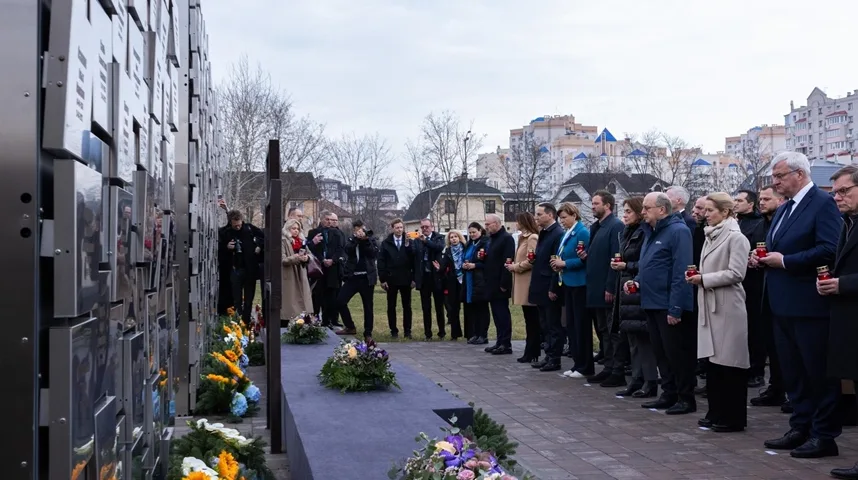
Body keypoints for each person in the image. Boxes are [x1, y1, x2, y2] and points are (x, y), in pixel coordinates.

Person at [754, 151, 842, 458]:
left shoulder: (822, 204)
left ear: (799, 175)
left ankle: (824, 435)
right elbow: (777, 249)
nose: (775, 182)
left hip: (810, 306)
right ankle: (800, 426)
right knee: (794, 373)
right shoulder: (783, 209)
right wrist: (763, 260)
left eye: (779, 176)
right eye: (774, 177)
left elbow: (829, 249)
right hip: (781, 305)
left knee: (817, 373)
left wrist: (786, 261)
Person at [687, 193, 750, 432]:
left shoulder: (736, 238)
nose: (706, 214)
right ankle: (716, 411)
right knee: (713, 362)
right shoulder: (710, 235)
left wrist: (705, 279)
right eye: (706, 210)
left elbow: (736, 273)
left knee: (729, 362)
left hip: (727, 305)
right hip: (710, 304)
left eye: (711, 210)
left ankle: (732, 416)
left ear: (725, 212)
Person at [627, 192, 695, 414]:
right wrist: (636, 282)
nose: (643, 212)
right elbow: (650, 264)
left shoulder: (678, 232)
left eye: (647, 208)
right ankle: (668, 393)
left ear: (662, 210)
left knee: (676, 353)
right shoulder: (651, 231)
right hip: (651, 302)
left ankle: (685, 398)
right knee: (661, 352)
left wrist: (675, 307)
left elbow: (680, 272)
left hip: (668, 305)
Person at [822, 165, 858, 479]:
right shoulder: (848, 223)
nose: (837, 197)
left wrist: (843, 284)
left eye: (844, 191)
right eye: (835, 193)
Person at [613, 197, 658, 398]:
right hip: (626, 288)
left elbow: (647, 262)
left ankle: (650, 381)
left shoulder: (644, 233)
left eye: (628, 211)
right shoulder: (626, 233)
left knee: (643, 338)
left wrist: (627, 267)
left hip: (638, 288)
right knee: (632, 337)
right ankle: (637, 379)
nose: (624, 215)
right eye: (623, 211)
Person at [748, 185, 788, 410]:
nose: (761, 202)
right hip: (762, 291)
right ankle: (776, 387)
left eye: (766, 198)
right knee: (772, 344)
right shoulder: (760, 225)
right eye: (760, 199)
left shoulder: (782, 223)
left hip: (784, 290)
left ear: (780, 201)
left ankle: (788, 391)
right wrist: (754, 258)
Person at [579, 191, 624, 384]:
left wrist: (611, 287)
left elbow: (615, 257)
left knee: (611, 330)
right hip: (594, 287)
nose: (592, 206)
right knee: (602, 329)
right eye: (592, 202)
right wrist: (586, 256)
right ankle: (608, 366)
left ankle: (617, 370)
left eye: (596, 203)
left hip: (606, 288)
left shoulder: (615, 226)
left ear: (608, 206)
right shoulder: (596, 227)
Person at [549, 203, 590, 379]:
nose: (562, 221)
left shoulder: (582, 232)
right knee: (571, 324)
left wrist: (565, 264)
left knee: (580, 325)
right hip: (567, 282)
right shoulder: (567, 233)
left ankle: (585, 365)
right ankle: (577, 363)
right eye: (561, 218)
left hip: (580, 283)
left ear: (574, 215)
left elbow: (584, 258)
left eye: (565, 217)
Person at [734, 189, 766, 388]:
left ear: (750, 204)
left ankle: (757, 370)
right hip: (737, 285)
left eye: (739, 200)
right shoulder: (736, 223)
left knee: (755, 329)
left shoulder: (758, 224)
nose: (735, 203)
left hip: (752, 282)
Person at [529, 203, 565, 372]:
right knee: (544, 323)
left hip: (548, 286)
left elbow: (555, 263)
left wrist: (553, 287)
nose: (536, 217)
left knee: (553, 324)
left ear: (550, 215)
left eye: (539, 214)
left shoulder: (557, 233)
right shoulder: (544, 233)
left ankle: (554, 358)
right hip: (539, 284)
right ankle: (548, 355)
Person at [335, 220, 379, 341]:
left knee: (368, 306)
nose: (359, 231)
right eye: (356, 229)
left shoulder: (371, 239)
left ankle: (368, 333)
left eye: (361, 228)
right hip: (353, 277)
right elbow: (348, 250)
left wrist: (365, 240)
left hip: (367, 277)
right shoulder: (351, 239)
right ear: (354, 229)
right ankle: (350, 326)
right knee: (340, 301)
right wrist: (356, 239)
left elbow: (373, 253)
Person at [506, 213, 540, 364]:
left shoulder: (532, 238)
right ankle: (531, 350)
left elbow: (531, 260)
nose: (516, 223)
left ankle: (532, 350)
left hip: (528, 283)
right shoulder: (522, 238)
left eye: (518, 221)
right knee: (528, 318)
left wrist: (516, 266)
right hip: (521, 282)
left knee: (532, 319)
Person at [220, 210, 264, 323]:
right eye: (235, 225)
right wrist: (227, 247)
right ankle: (237, 322)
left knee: (249, 300)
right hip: (235, 269)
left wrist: (259, 245)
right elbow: (219, 249)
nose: (238, 227)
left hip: (250, 269)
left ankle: (246, 321)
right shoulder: (226, 232)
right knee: (236, 300)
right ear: (230, 223)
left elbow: (264, 237)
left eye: (239, 224)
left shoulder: (249, 229)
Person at [378, 218, 417, 339]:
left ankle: (407, 331)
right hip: (391, 279)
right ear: (392, 228)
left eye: (401, 227)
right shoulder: (386, 243)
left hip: (406, 278)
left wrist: (414, 278)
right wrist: (382, 279)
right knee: (391, 306)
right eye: (397, 228)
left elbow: (414, 259)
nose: (399, 230)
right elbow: (381, 262)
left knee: (407, 306)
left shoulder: (409, 241)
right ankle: (393, 331)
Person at [483, 214, 516, 355]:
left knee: (502, 313)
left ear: (496, 223)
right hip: (490, 282)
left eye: (488, 224)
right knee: (496, 313)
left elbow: (507, 261)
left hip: (500, 283)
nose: (486, 227)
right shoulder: (492, 239)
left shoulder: (506, 238)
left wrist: (504, 283)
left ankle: (506, 343)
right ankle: (499, 341)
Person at [307, 211, 345, 328]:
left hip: (332, 268)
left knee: (331, 296)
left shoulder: (337, 233)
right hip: (318, 268)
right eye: (327, 219)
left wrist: (332, 260)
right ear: (321, 219)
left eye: (331, 220)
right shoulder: (313, 232)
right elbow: (310, 249)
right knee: (317, 295)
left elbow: (340, 249)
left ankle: (327, 320)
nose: (329, 222)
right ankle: (314, 319)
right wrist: (322, 259)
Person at [415, 218, 447, 340]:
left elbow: (438, 248)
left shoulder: (439, 237)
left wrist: (426, 241)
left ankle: (441, 332)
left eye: (427, 227)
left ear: (432, 227)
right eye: (422, 227)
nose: (424, 229)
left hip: (436, 276)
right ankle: (428, 333)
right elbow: (414, 254)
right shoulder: (418, 239)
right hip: (424, 277)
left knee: (439, 306)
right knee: (426, 307)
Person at [280, 218, 314, 322]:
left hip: (301, 274)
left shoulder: (301, 240)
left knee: (303, 301)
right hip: (289, 275)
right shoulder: (283, 241)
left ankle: (302, 321)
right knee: (291, 302)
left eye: (298, 229)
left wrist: (306, 258)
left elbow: (310, 254)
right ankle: (288, 323)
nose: (296, 231)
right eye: (293, 228)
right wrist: (296, 257)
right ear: (287, 229)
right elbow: (283, 259)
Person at [461, 222, 489, 344]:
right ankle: (475, 333)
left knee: (482, 308)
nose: (472, 234)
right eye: (470, 232)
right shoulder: (469, 244)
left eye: (474, 232)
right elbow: (465, 257)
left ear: (480, 231)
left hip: (480, 279)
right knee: (473, 308)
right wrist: (464, 265)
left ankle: (483, 334)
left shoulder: (485, 243)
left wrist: (474, 265)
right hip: (469, 279)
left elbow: (488, 262)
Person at [438, 231, 467, 340]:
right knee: (454, 308)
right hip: (452, 281)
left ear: (459, 238)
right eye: (451, 237)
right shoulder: (448, 251)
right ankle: (455, 334)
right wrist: (439, 268)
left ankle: (470, 333)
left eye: (455, 237)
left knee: (468, 307)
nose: (454, 239)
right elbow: (444, 265)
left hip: (464, 279)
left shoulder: (465, 248)